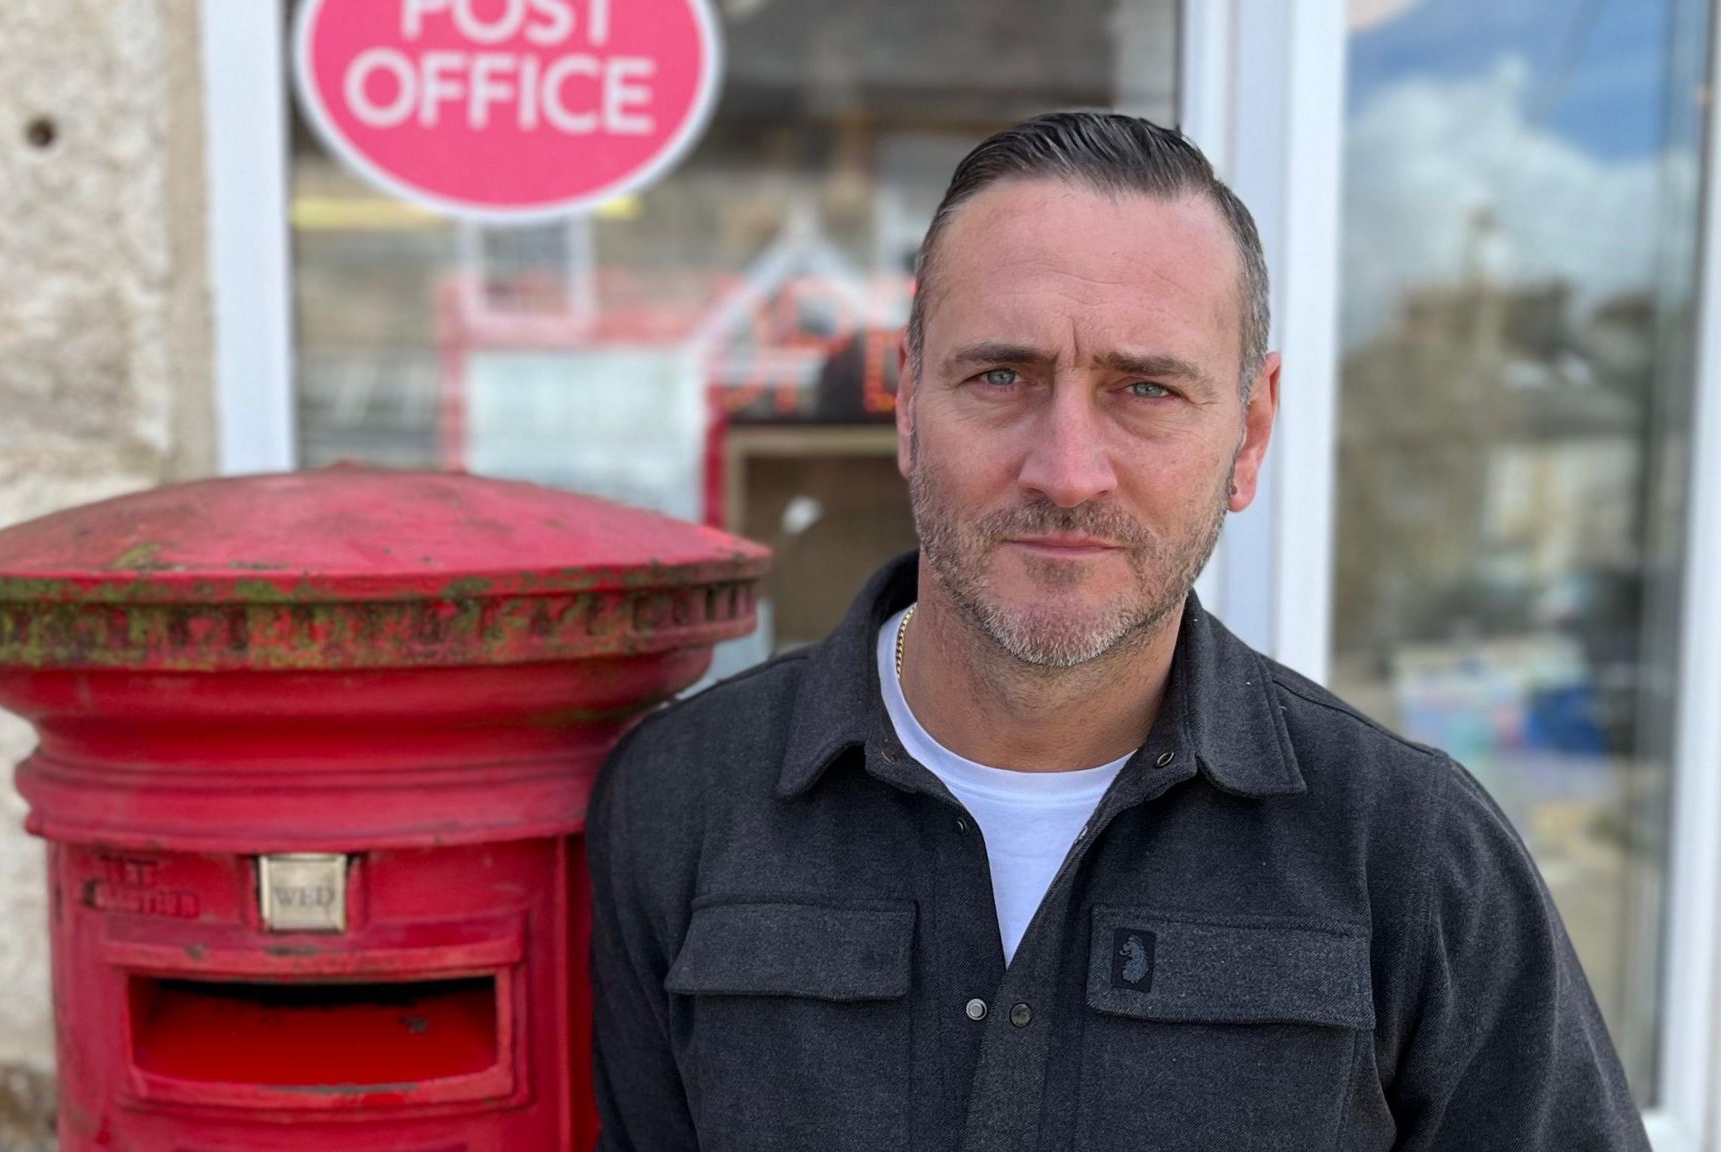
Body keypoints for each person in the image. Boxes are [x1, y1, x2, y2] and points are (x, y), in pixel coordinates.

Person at [585, 110, 1650, 1152]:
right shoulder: (680, 806)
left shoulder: (1411, 855)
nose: (1065, 470)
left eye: (1144, 388)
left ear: (1249, 434)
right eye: (1000, 376)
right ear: (909, 405)